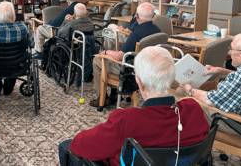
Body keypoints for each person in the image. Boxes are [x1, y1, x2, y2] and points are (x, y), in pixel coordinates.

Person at [58, 47, 210, 166]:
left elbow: (80, 144)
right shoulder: (193, 109)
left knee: (66, 146)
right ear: (172, 78)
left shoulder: (127, 120)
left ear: (139, 83)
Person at [177, 33, 241, 135]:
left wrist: (190, 90)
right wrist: (222, 71)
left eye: (232, 49)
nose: (229, 52)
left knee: (182, 96)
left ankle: (187, 140)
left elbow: (211, 101)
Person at [90, 2, 161, 107]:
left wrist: (106, 52)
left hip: (131, 72)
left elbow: (119, 56)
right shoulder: (158, 31)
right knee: (112, 58)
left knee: (98, 60)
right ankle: (114, 94)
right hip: (149, 71)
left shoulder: (136, 33)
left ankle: (102, 97)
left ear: (136, 15)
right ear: (153, 16)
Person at [0, 1, 34, 98]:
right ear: (13, 16)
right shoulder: (23, 28)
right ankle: (9, 86)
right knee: (14, 60)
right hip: (16, 65)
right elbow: (32, 44)